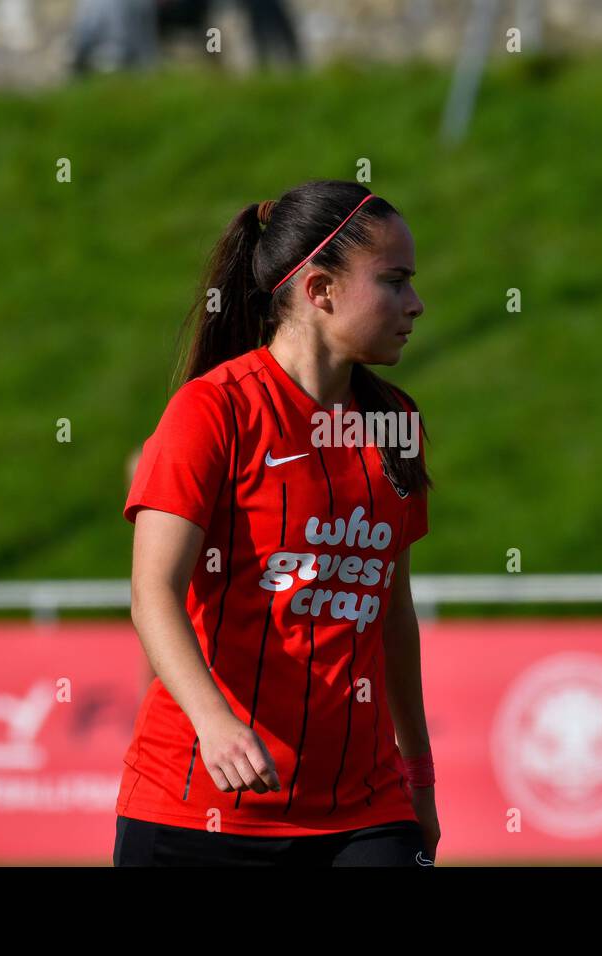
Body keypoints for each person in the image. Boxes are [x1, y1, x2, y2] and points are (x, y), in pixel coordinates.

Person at [114, 179, 437, 866]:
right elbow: (153, 595)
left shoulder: (397, 423)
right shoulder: (211, 413)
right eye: (394, 282)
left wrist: (420, 777)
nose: (415, 304)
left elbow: (393, 615)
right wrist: (215, 723)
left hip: (365, 810)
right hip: (199, 807)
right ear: (320, 291)